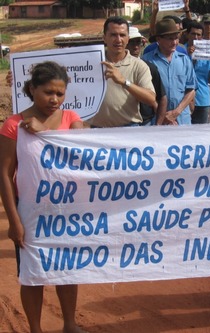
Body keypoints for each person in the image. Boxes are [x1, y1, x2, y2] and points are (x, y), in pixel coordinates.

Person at [0, 61, 85, 333]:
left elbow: (81, 151)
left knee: (67, 269)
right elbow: (4, 173)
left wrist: (44, 132)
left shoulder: (72, 119)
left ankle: (70, 324)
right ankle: (35, 329)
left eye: (60, 93)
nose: (54, 99)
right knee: (32, 274)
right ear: (32, 89)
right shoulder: (14, 124)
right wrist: (14, 221)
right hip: (29, 211)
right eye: (48, 92)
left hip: (66, 209)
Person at [87, 16, 157, 128]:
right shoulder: (91, 64)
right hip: (98, 131)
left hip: (129, 130)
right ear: (104, 38)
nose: (118, 40)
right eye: (113, 35)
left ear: (128, 38)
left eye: (122, 35)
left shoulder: (139, 65)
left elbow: (150, 98)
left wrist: (124, 82)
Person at [142, 18, 196, 125]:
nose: (175, 42)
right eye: (170, 39)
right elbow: (144, 93)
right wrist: (164, 115)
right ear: (159, 39)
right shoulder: (146, 61)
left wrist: (176, 112)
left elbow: (191, 90)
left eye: (176, 38)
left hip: (181, 121)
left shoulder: (184, 60)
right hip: (156, 121)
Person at [126, 25, 167, 126]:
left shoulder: (149, 67)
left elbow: (162, 97)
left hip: (146, 122)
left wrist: (158, 125)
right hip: (122, 121)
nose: (135, 46)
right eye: (131, 42)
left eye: (138, 42)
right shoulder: (113, 68)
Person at [185, 21, 210, 124]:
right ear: (187, 34)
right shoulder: (180, 51)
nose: (196, 37)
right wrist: (189, 56)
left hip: (202, 100)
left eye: (199, 35)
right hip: (184, 102)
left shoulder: (206, 53)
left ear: (202, 37)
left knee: (200, 135)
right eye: (193, 34)